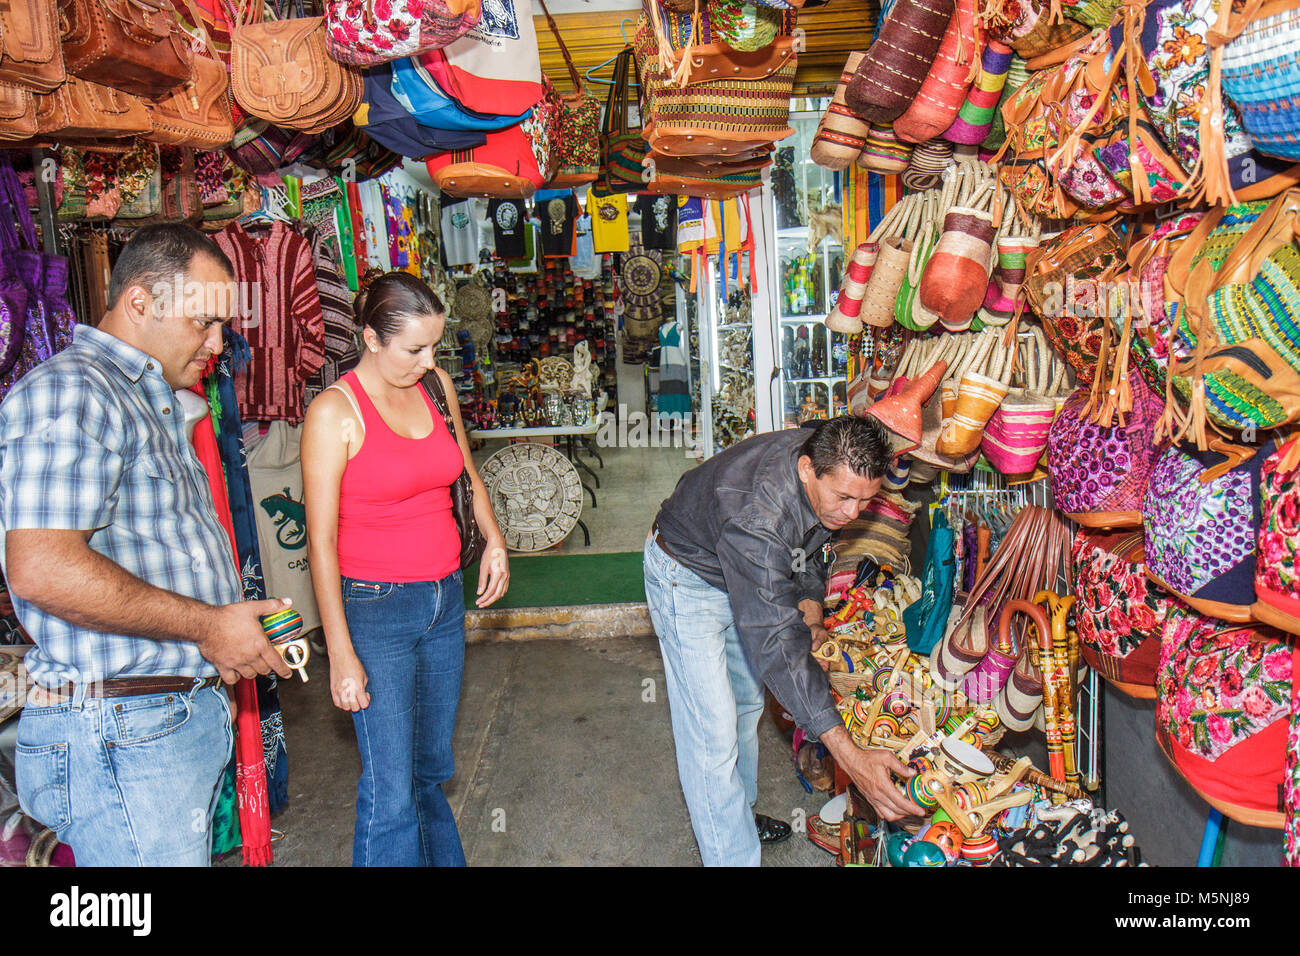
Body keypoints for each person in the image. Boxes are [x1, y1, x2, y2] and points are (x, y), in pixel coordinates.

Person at [0, 224, 293, 867]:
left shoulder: (145, 399)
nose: (218, 345)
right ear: (140, 304)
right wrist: (209, 625)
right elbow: (42, 567)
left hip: (148, 728)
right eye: (204, 323)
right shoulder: (73, 391)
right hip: (118, 734)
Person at [644, 415, 924, 866]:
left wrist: (812, 616)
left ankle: (736, 817)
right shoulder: (758, 517)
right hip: (688, 577)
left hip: (746, 569)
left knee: (746, 707)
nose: (852, 513)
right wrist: (850, 757)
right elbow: (774, 637)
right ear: (806, 470)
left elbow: (810, 548)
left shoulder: (831, 456)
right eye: (845, 498)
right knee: (711, 735)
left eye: (865, 501)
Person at [302, 271, 509, 867]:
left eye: (434, 347)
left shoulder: (436, 386)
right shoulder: (333, 414)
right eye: (414, 349)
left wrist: (494, 539)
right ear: (370, 338)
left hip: (444, 601)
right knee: (390, 788)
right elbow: (320, 543)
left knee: (429, 772)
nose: (428, 360)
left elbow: (466, 476)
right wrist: (340, 652)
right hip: (375, 610)